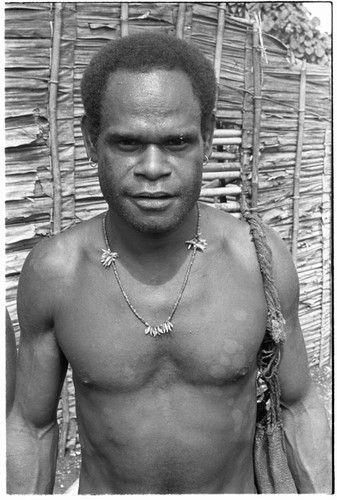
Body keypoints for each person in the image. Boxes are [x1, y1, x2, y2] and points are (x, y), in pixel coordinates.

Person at [7, 32, 331, 494]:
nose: (153, 167)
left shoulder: (256, 260)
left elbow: (299, 406)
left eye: (177, 142)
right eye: (127, 144)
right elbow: (32, 426)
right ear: (90, 140)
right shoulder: (56, 272)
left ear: (208, 137)